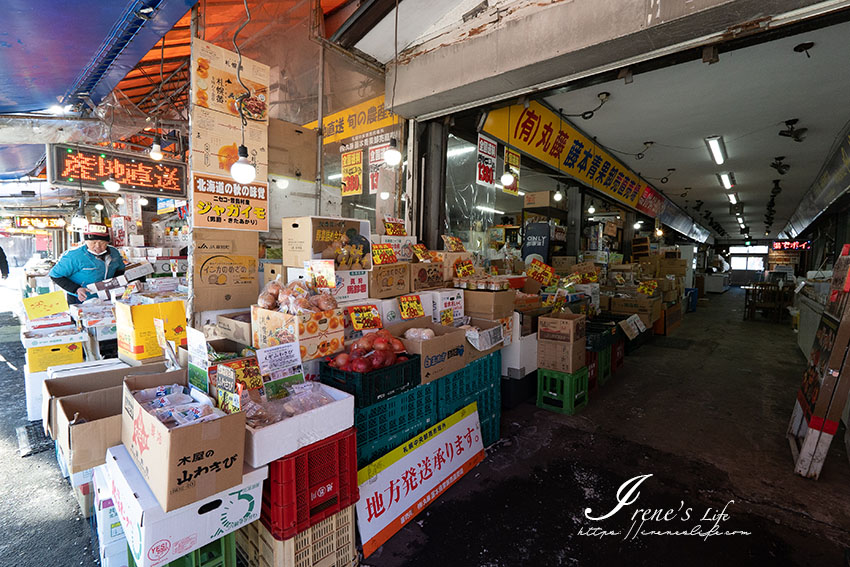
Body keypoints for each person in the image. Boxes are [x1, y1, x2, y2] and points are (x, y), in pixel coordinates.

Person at [50, 223, 125, 304]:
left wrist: (116, 284)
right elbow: (55, 275)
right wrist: (76, 289)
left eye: (102, 243)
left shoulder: (114, 253)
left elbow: (120, 269)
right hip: (81, 298)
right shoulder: (74, 256)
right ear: (86, 241)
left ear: (107, 242)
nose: (97, 246)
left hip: (107, 297)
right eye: (93, 242)